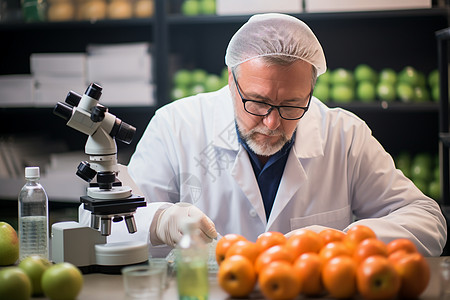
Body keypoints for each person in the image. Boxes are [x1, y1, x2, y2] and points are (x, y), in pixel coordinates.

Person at [80, 13, 447, 257]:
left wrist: (344, 240)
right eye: (256, 102)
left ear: (312, 92)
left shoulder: (344, 134)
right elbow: (103, 225)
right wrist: (161, 220)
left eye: (292, 106)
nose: (271, 123)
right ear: (230, 82)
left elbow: (427, 219)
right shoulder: (177, 124)